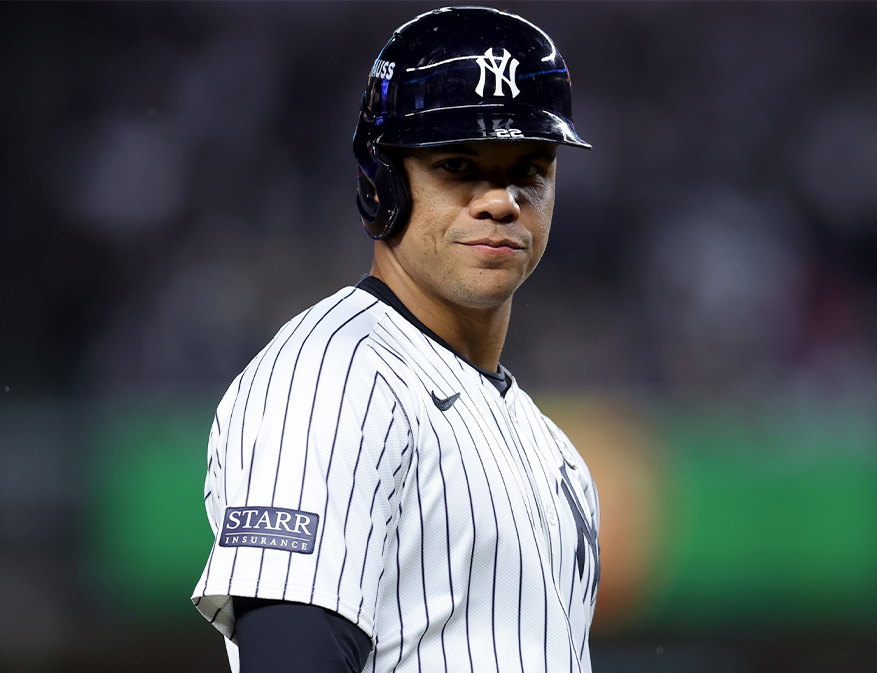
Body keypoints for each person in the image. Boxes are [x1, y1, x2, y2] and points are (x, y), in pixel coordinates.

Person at [191, 7, 600, 673]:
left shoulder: (552, 449)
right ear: (381, 182)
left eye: (529, 168)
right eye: (460, 165)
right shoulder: (330, 378)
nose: (502, 200)